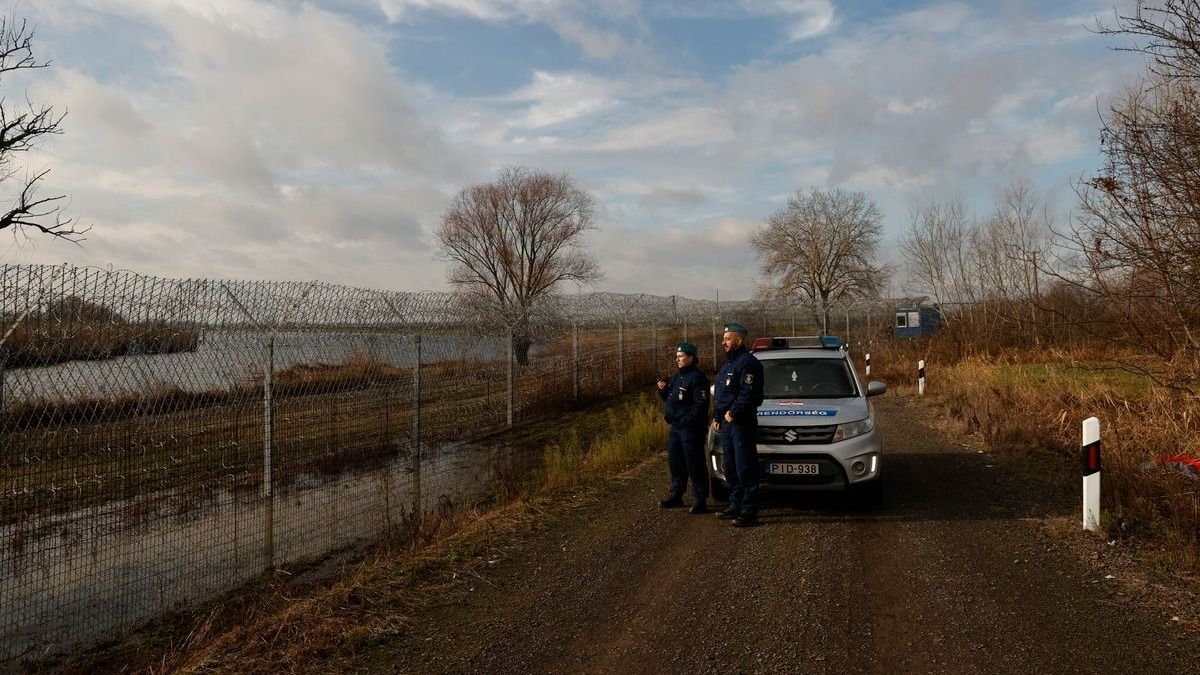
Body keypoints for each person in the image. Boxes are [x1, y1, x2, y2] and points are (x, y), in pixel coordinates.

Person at [711, 322, 764, 527]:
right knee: (730, 467)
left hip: (741, 424)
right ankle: (735, 504)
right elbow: (721, 396)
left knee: (745, 467)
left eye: (727, 338)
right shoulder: (728, 365)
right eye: (724, 338)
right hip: (726, 425)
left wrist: (733, 412)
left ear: (739, 340)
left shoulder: (748, 363)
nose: (723, 342)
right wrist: (717, 418)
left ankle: (749, 511)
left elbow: (748, 394)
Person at [656, 342, 711, 514]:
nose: (677, 359)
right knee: (676, 463)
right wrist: (663, 390)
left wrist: (685, 420)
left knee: (695, 464)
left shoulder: (698, 378)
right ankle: (676, 494)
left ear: (691, 358)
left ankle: (700, 498)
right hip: (676, 428)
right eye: (677, 356)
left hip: (691, 429)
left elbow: (700, 406)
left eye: (680, 357)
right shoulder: (677, 376)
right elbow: (672, 400)